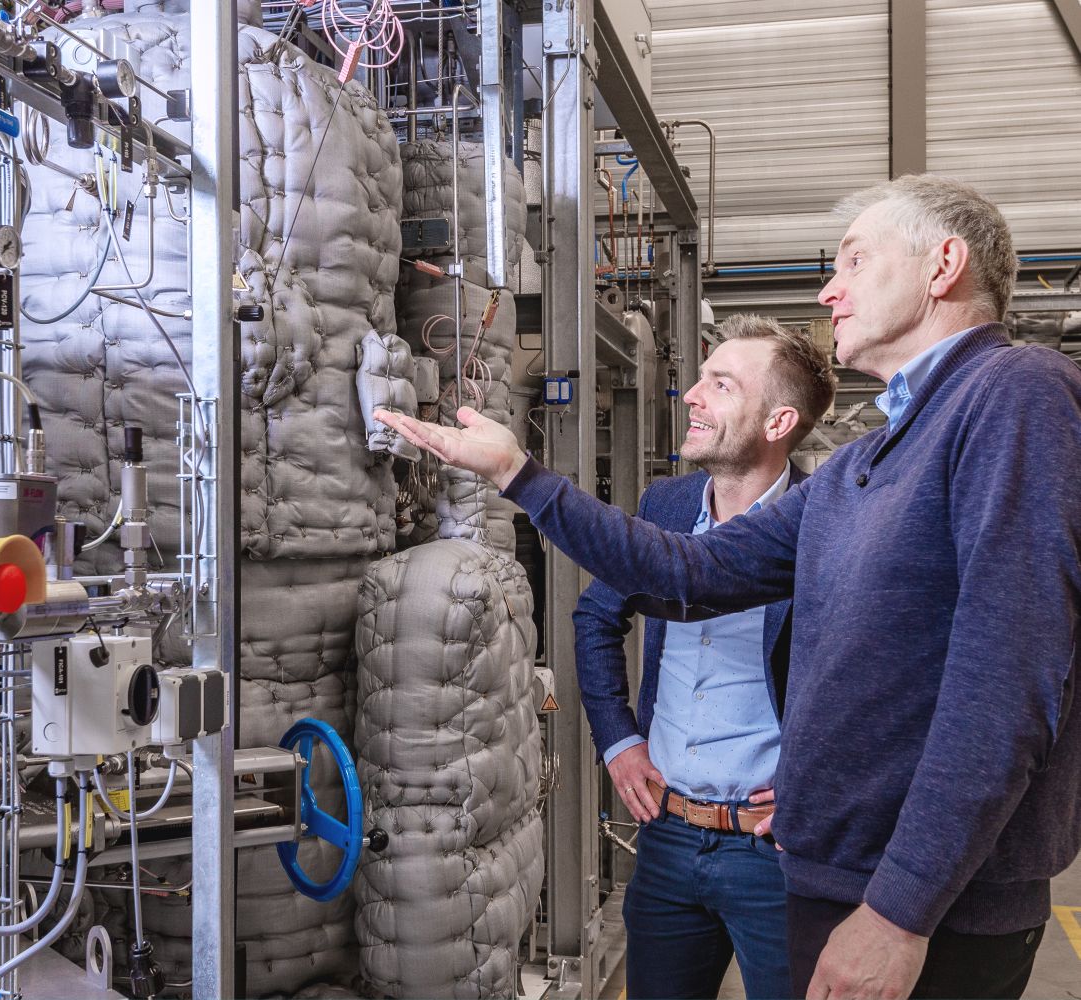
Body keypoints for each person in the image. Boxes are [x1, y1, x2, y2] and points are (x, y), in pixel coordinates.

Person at [374, 174, 1081, 1000]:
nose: (830, 288)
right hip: (833, 876)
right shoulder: (867, 464)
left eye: (856, 260)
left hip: (926, 909)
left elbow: (1004, 687)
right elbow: (689, 572)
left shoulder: (1014, 394)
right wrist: (518, 474)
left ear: (943, 266)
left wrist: (899, 913)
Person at [581, 315, 834, 999]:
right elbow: (596, 615)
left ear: (778, 422)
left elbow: (881, 670)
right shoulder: (666, 504)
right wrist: (619, 740)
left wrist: (828, 780)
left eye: (719, 385)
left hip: (776, 854)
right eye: (698, 379)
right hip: (667, 838)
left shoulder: (828, 522)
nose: (690, 395)